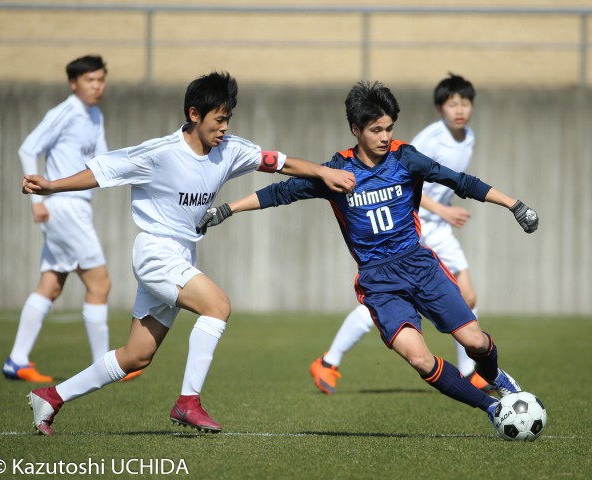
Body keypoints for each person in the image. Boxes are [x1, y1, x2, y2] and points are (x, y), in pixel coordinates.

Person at [22, 71, 356, 436]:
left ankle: (51, 396)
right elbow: (102, 171)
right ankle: (188, 402)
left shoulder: (228, 150)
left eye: (228, 119)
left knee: (137, 355)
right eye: (218, 119)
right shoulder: (160, 153)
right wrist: (52, 186)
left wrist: (323, 172)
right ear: (195, 114)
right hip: (155, 252)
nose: (224, 128)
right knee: (218, 306)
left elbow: (279, 162)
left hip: (181, 255)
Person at [197, 80, 539, 427]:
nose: (385, 136)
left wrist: (515, 205)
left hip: (420, 266)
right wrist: (226, 209)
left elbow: (460, 182)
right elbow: (281, 193)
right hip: (379, 282)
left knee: (475, 342)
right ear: (356, 129)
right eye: (376, 129)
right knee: (420, 360)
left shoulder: (406, 158)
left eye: (389, 127)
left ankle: (497, 378)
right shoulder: (337, 172)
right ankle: (494, 410)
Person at [309, 74, 491, 395]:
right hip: (418, 227)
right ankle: (329, 360)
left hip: (438, 228)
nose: (460, 110)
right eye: (453, 104)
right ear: (440, 108)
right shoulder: (428, 140)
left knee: (467, 296)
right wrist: (443, 210)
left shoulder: (469, 137)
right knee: (381, 305)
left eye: (466, 103)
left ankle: (468, 371)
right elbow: (407, 179)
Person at [3, 55, 114, 383]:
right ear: (73, 83)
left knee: (50, 286)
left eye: (101, 79)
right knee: (100, 283)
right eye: (90, 80)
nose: (97, 86)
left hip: (77, 207)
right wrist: (36, 199)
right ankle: (104, 365)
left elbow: (103, 159)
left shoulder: (95, 115)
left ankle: (16, 360)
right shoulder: (64, 112)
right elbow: (27, 148)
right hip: (63, 206)